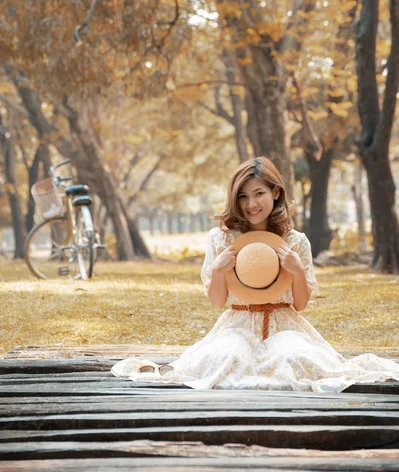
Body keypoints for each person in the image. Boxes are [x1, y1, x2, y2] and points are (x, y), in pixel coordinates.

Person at [112, 156, 399, 391]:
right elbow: (216, 302)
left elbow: (299, 304)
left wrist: (297, 270)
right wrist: (218, 270)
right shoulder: (220, 239)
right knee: (225, 357)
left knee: (294, 357)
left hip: (285, 322)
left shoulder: (295, 241)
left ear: (275, 193)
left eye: (259, 193)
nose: (251, 204)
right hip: (237, 322)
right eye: (243, 196)